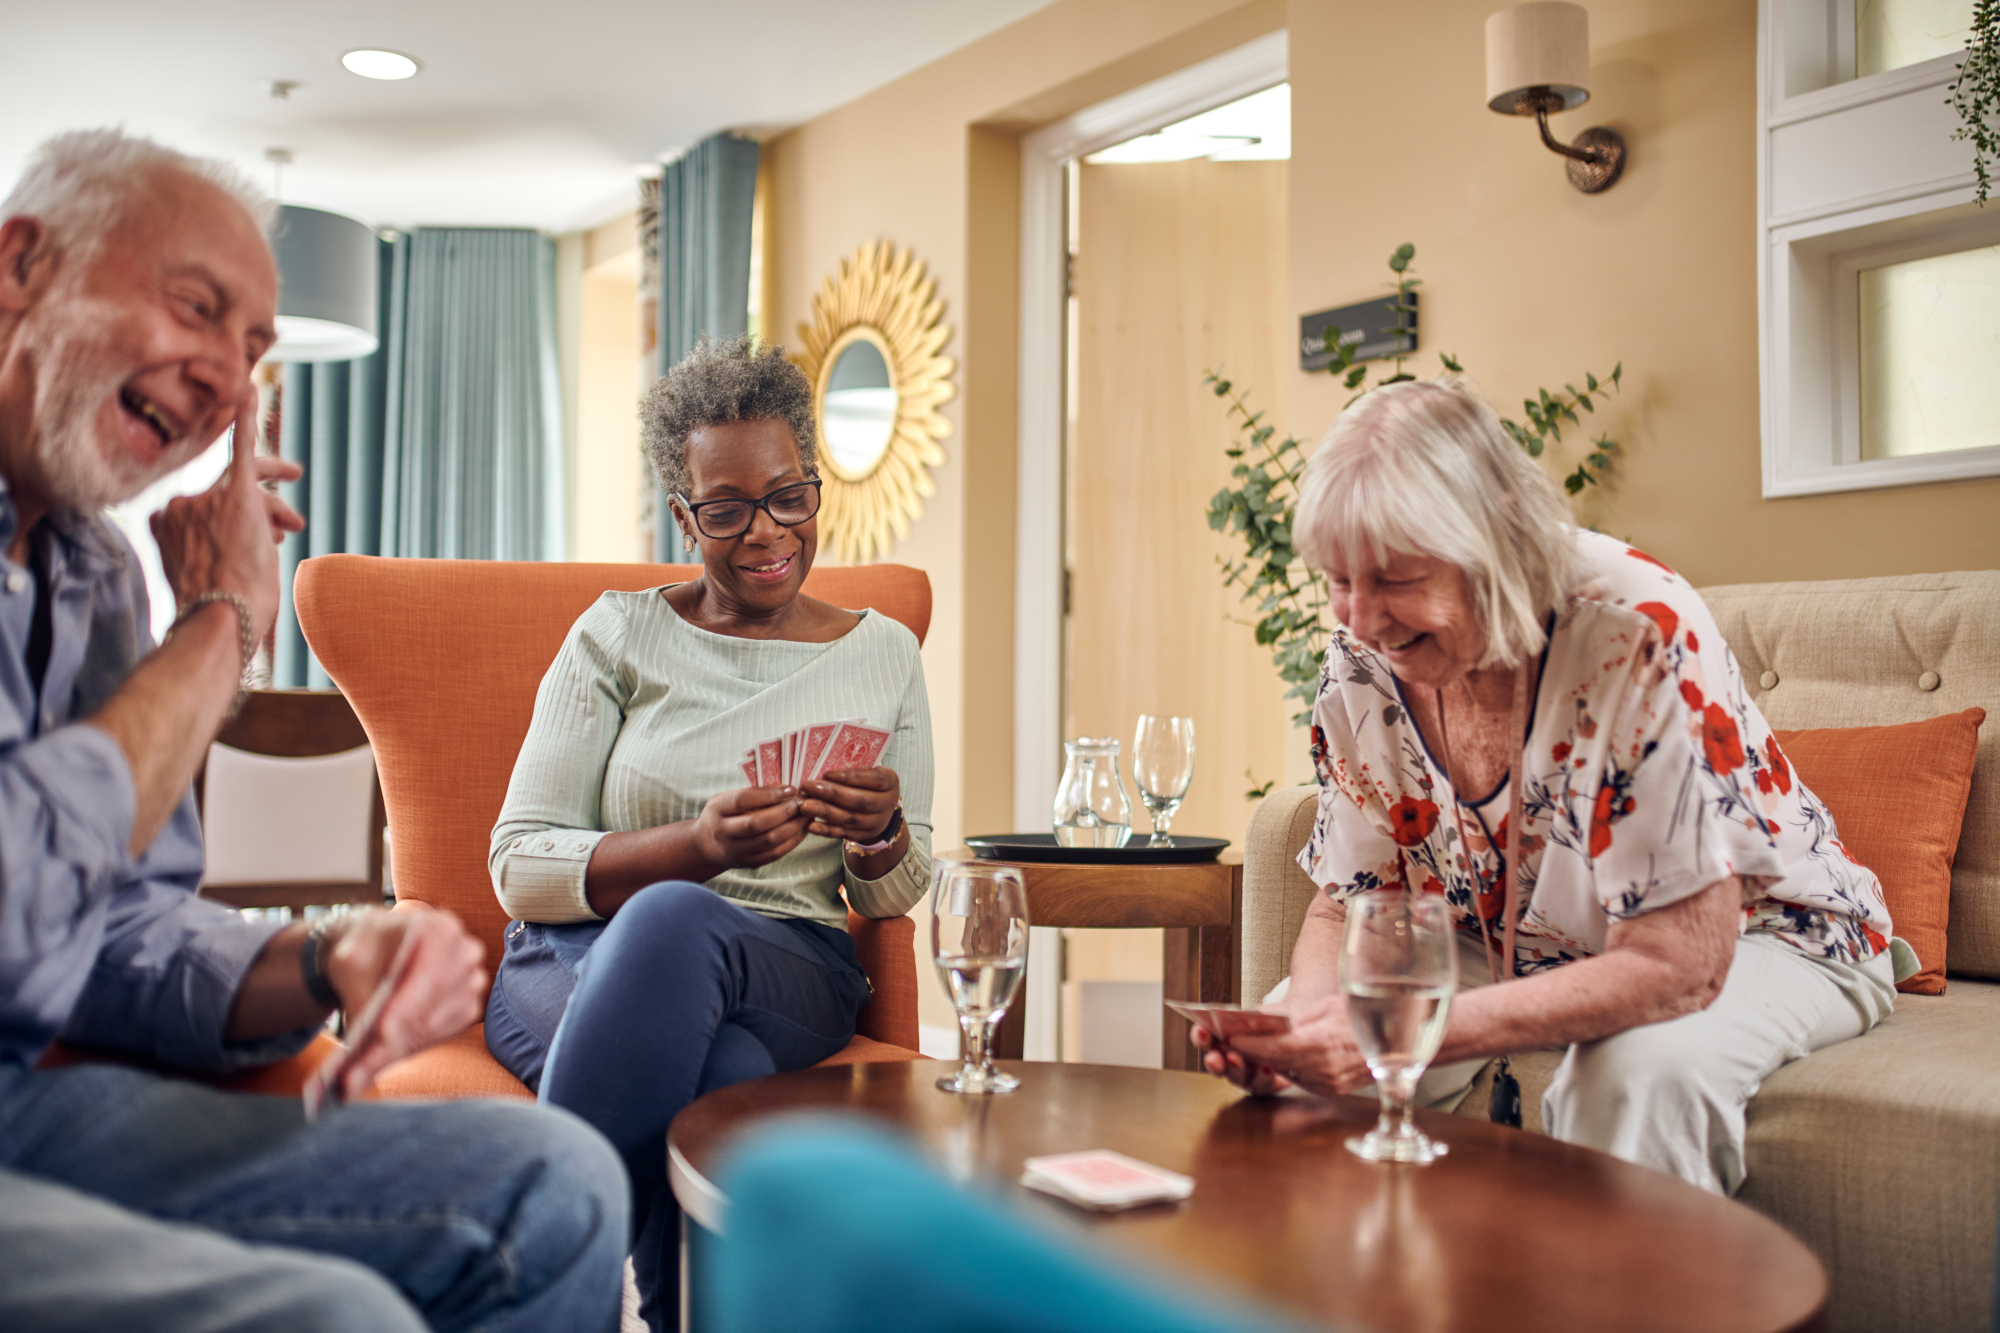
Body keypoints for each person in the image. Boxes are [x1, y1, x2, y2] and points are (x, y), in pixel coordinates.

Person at [0, 129, 628, 1332]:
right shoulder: (165, 607)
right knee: (337, 1315)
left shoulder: (86, 567)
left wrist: (323, 958)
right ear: (22, 263)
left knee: (559, 1181)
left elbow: (119, 922)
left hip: (31, 1108)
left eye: (253, 352)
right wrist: (217, 628)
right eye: (198, 308)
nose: (230, 384)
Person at [1199, 377, 1911, 1195]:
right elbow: (1348, 900)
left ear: (1494, 537)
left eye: (1395, 578)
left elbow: (1679, 960)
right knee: (1297, 1079)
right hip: (1516, 945)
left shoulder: (1636, 632)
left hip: (1766, 936)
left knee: (1635, 1079)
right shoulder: (1361, 655)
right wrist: (1311, 1024)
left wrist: (1408, 1031)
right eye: (1338, 581)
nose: (1359, 618)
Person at [484, 333, 935, 1331]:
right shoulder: (614, 635)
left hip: (791, 964)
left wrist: (881, 836)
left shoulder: (884, 655)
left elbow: (895, 895)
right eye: (726, 509)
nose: (766, 531)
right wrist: (700, 846)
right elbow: (518, 863)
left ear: (814, 490)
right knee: (718, 1065)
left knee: (683, 923)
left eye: (788, 496)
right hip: (574, 956)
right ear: (683, 512)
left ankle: (540, 1293)